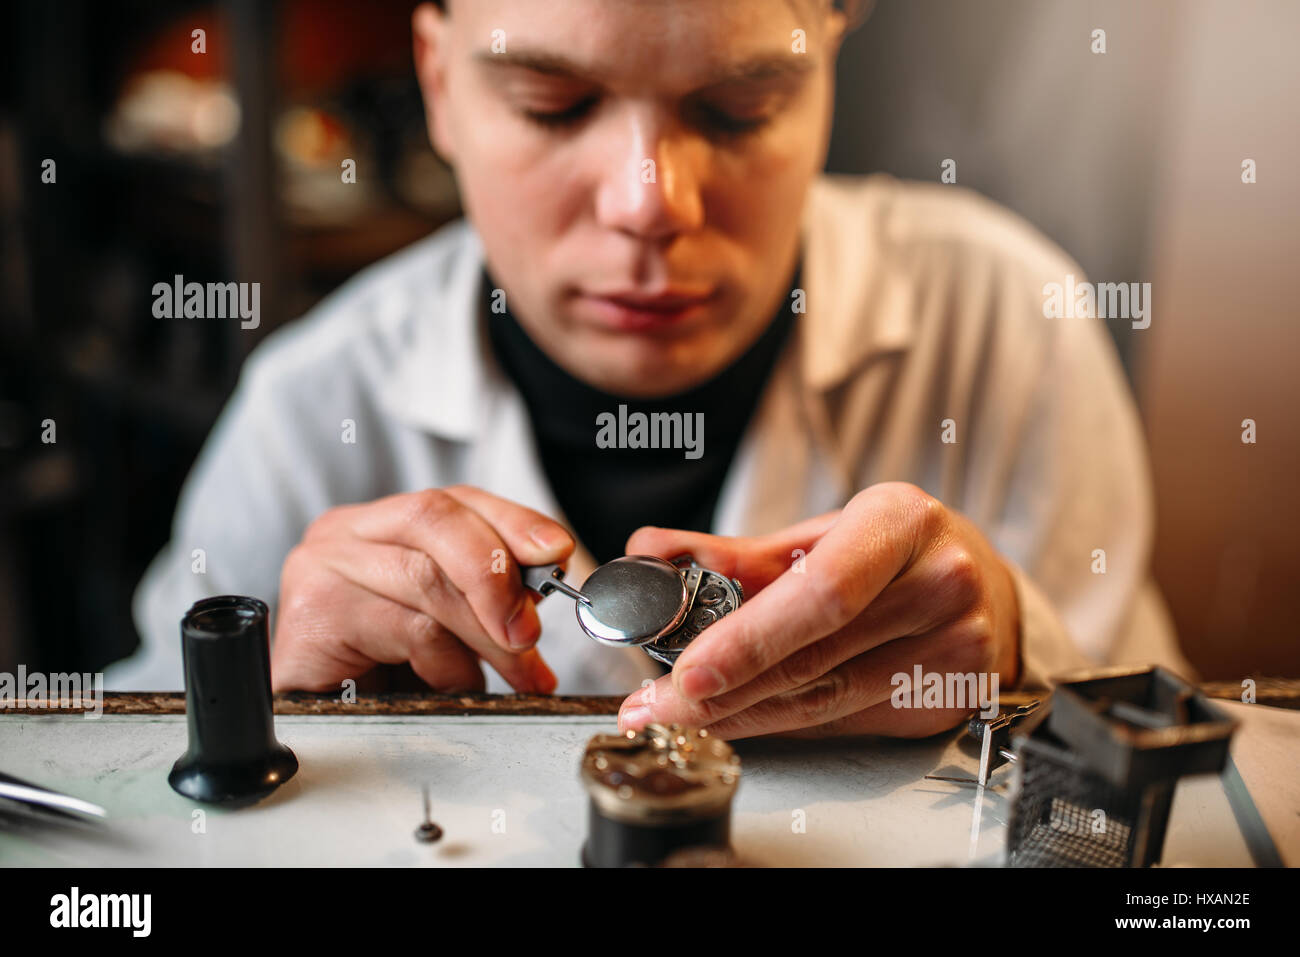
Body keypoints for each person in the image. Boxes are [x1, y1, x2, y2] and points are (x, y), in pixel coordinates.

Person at [107, 0, 1193, 739]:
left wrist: (1016, 653)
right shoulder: (315, 406)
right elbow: (107, 811)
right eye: (554, 107)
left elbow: (1166, 792)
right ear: (438, 83)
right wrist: (275, 725)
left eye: (738, 107)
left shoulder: (1004, 320)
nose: (649, 203)